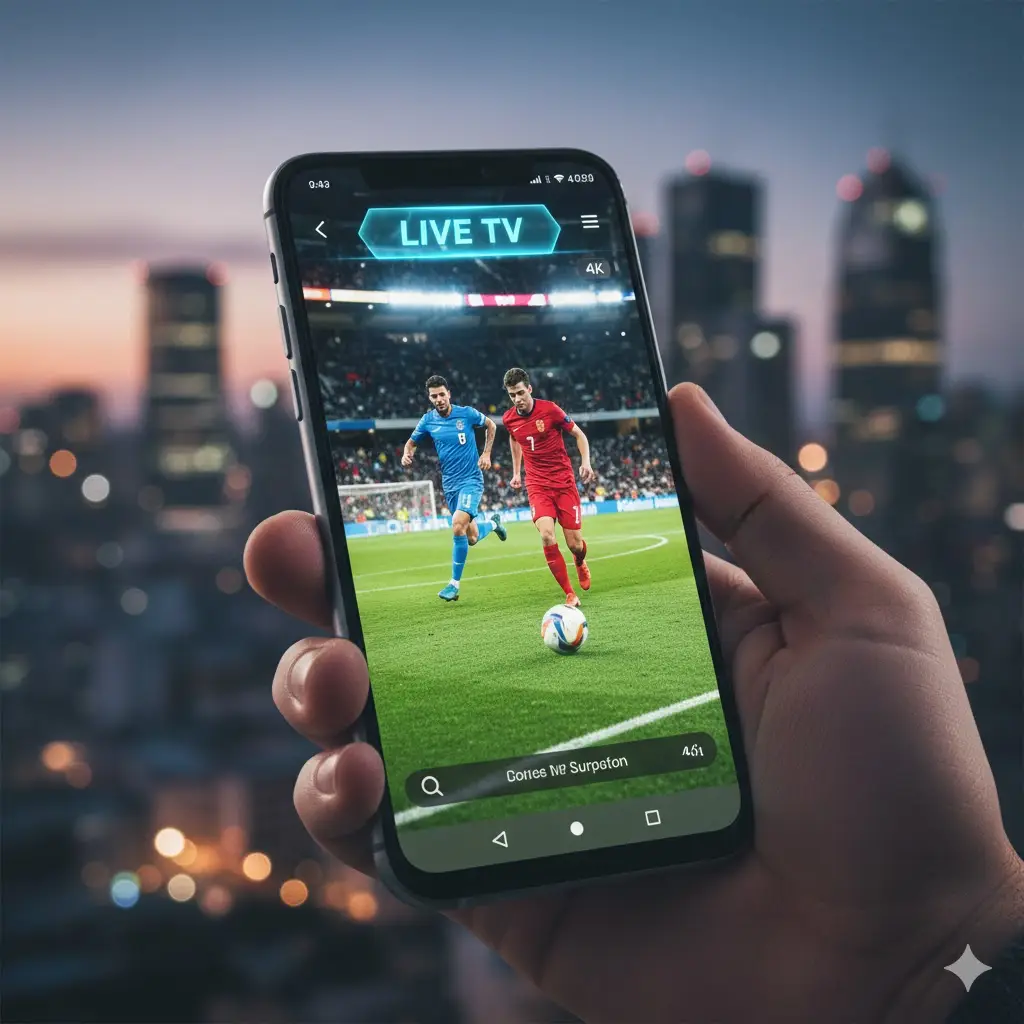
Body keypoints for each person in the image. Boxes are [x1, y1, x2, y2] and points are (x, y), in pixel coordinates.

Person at [244, 383, 1024, 1023]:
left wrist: (939, 947)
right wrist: (939, 964)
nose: (509, 398)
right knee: (534, 546)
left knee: (568, 546)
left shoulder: (535, 415)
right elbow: (484, 438)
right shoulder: (498, 420)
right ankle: (513, 550)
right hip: (523, 493)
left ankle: (533, 549)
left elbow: (562, 437)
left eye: (511, 391)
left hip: (557, 490)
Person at [401, 374, 506, 601]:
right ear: (429, 398)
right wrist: (406, 453)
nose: (438, 399)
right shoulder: (428, 420)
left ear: (449, 394)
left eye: (441, 394)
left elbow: (491, 425)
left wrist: (486, 453)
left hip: (471, 480)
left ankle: (454, 585)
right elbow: (411, 442)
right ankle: (494, 523)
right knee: (472, 537)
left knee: (457, 525)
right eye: (433, 396)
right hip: (449, 485)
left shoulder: (466, 413)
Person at [501, 367, 595, 608]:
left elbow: (579, 435)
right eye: (512, 395)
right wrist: (516, 472)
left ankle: (579, 559)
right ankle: (569, 593)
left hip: (564, 483)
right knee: (546, 534)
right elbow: (514, 440)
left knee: (574, 543)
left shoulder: (550, 410)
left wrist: (585, 462)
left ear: (529, 389)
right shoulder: (509, 419)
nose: (517, 399)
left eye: (520, 392)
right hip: (537, 484)